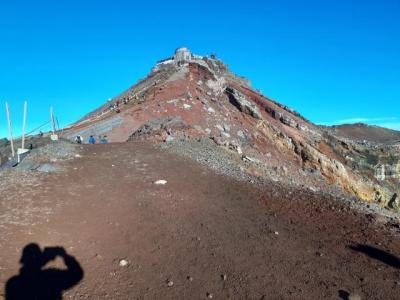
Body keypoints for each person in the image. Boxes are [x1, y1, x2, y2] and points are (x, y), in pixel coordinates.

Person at [6, 243, 84, 300]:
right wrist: (64, 255)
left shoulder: (12, 284)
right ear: (40, 259)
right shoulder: (50, 278)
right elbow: (77, 273)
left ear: (23, 260)